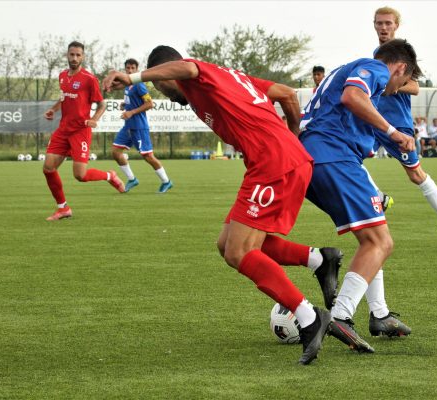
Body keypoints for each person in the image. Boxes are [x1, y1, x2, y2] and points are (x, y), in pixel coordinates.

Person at [103, 45, 342, 365]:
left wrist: (133, 78)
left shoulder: (198, 75)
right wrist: (293, 138)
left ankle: (310, 317)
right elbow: (286, 94)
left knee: (238, 251)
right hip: (271, 161)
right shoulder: (233, 79)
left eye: (160, 85)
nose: (162, 91)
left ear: (167, 72)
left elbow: (188, 69)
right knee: (226, 243)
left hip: (274, 163)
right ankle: (319, 259)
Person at [299, 38, 420, 353]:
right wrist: (395, 132)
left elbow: (360, 114)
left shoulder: (348, 73)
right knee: (382, 242)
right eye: (402, 83)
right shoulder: (375, 68)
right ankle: (340, 315)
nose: (396, 90)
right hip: (334, 157)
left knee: (372, 239)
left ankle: (377, 312)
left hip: (314, 161)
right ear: (400, 68)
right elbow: (353, 96)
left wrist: (398, 140)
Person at [372, 6, 437, 253]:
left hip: (398, 126)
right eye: (379, 23)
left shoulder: (402, 53)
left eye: (388, 23)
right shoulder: (376, 53)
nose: (383, 27)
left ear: (396, 25)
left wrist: (391, 86)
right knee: (349, 157)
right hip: (376, 122)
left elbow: (416, 87)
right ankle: (379, 196)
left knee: (416, 175)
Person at [42, 41, 124, 221]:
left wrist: (94, 119)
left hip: (80, 131)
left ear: (83, 57)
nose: (74, 58)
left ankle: (110, 175)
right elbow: (64, 97)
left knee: (80, 175)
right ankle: (63, 208)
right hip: (63, 130)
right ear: (67, 55)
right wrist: (53, 110)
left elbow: (102, 104)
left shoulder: (89, 79)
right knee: (48, 168)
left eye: (78, 55)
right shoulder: (63, 75)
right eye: (72, 54)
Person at [112, 58, 173, 193]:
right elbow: (134, 101)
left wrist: (131, 112)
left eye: (133, 68)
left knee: (148, 156)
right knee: (116, 152)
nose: (130, 70)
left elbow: (150, 104)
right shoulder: (128, 85)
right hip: (128, 126)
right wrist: (125, 105)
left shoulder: (139, 84)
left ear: (137, 69)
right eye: (128, 68)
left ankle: (166, 181)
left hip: (139, 126)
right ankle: (132, 179)